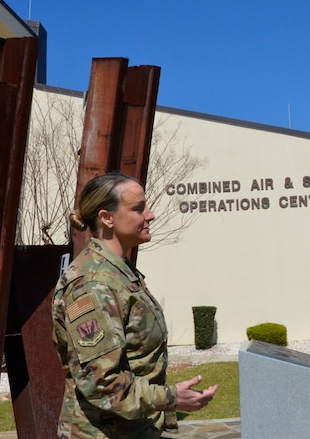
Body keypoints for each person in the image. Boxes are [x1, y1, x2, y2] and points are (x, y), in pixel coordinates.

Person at [51, 172, 218, 438]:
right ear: (107, 217)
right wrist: (171, 397)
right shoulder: (93, 285)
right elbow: (102, 383)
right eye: (138, 209)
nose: (150, 215)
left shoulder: (118, 273)